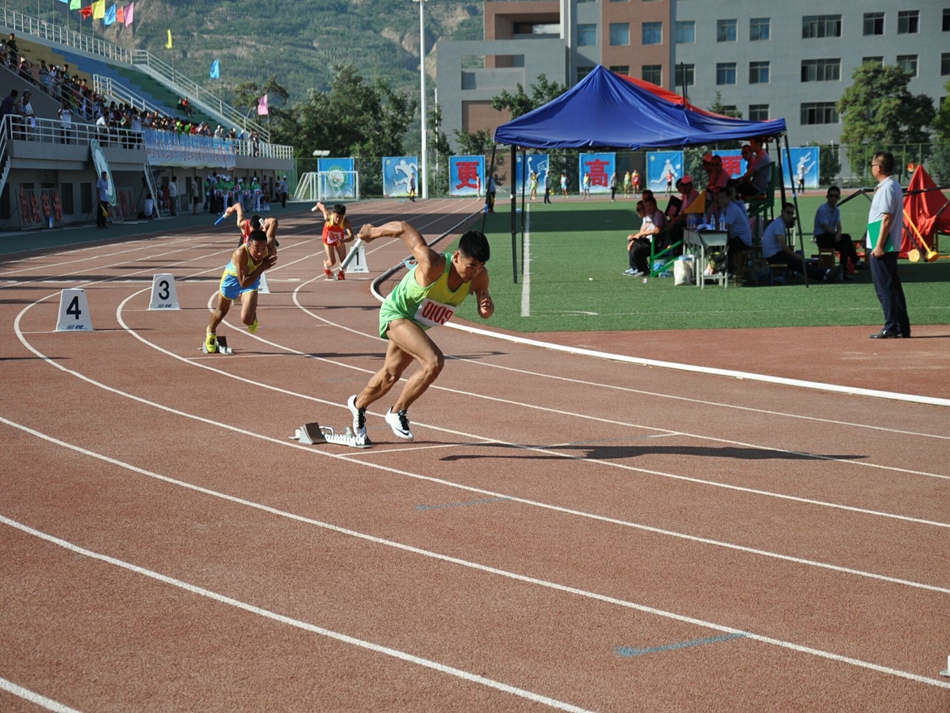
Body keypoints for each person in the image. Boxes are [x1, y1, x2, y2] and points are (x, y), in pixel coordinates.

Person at [346, 223, 493, 443]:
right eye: (471, 266)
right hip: (396, 313)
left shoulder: (479, 278)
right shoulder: (433, 265)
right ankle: (397, 411)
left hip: (416, 324)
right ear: (456, 257)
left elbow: (485, 309)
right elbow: (403, 229)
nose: (474, 272)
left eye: (480, 267)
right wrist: (373, 233)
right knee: (434, 362)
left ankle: (358, 404)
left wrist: (486, 308)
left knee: (390, 375)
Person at [204, 229, 277, 353]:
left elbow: (273, 227)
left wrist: (272, 239)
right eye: (256, 248)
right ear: (249, 245)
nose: (260, 253)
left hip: (252, 279)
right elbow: (243, 282)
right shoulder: (241, 253)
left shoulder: (268, 251)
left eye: (263, 248)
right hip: (232, 281)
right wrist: (262, 267)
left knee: (247, 320)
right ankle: (210, 332)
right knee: (221, 311)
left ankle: (251, 313)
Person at [867, 151, 911, 339]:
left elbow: (886, 218)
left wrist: (879, 246)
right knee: (892, 286)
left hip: (884, 244)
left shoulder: (887, 188)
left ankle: (891, 326)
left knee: (884, 288)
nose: (871, 169)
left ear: (879, 167)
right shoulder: (892, 185)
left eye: (872, 165)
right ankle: (901, 326)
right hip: (886, 242)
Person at [762, 204, 833, 282]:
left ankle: (824, 274)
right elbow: (784, 246)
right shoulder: (779, 224)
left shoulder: (778, 223)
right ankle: (824, 275)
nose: (790, 215)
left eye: (792, 213)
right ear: (782, 212)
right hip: (773, 256)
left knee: (798, 262)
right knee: (798, 263)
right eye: (788, 212)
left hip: (774, 254)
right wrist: (795, 255)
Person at [813, 186, 862, 277]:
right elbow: (826, 227)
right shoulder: (822, 209)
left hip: (831, 237)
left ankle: (843, 272)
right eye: (831, 196)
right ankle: (856, 261)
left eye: (836, 196)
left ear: (839, 198)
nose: (833, 198)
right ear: (827, 197)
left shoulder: (837, 210)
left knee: (844, 246)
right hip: (822, 238)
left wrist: (838, 234)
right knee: (846, 237)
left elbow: (838, 225)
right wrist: (837, 235)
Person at [625, 197, 666, 276]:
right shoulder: (650, 215)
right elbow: (643, 229)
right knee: (633, 243)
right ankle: (636, 267)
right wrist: (635, 238)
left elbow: (657, 230)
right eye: (646, 206)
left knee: (636, 249)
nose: (647, 208)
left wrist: (641, 234)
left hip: (657, 244)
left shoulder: (658, 214)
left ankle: (644, 269)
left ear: (654, 205)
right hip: (650, 241)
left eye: (649, 205)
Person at [313, 201, 353, 280]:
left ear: (344, 216)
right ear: (333, 214)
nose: (338, 219)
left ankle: (341, 272)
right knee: (332, 262)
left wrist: (343, 241)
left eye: (340, 217)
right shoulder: (328, 217)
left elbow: (351, 237)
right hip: (328, 240)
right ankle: (326, 265)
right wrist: (319, 204)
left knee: (344, 262)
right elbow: (323, 208)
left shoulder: (346, 222)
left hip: (339, 240)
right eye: (336, 216)